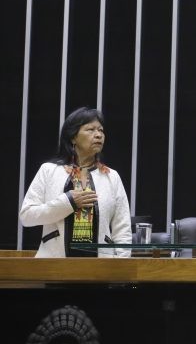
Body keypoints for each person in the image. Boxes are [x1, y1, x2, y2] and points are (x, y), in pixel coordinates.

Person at [19, 107, 132, 258]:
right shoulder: (49, 170)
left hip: (102, 266)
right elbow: (27, 216)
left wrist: (122, 264)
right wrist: (68, 202)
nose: (98, 135)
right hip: (55, 264)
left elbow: (122, 228)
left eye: (101, 130)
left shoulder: (112, 176)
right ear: (73, 138)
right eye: (90, 130)